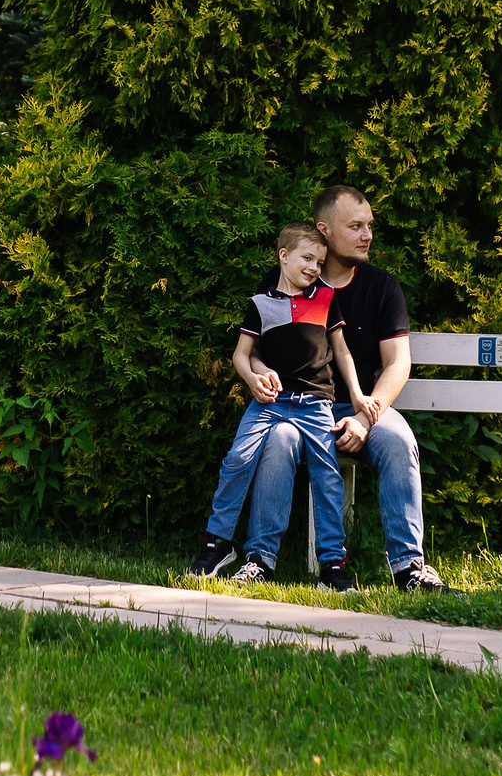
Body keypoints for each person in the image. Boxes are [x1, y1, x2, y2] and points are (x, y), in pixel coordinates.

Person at [232, 185, 450, 592]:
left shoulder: (382, 288)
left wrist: (366, 417)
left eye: (369, 226)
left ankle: (409, 568)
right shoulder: (284, 283)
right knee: (277, 439)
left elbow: (398, 363)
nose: (368, 235)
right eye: (356, 226)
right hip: (294, 410)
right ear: (324, 231)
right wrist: (258, 373)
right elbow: (254, 350)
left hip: (362, 409)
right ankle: (260, 560)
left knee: (399, 439)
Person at [189, 223, 368, 591]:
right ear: (283, 257)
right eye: (307, 258)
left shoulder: (326, 299)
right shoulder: (260, 305)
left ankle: (332, 565)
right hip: (271, 403)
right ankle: (216, 543)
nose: (314, 268)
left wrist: (358, 395)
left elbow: (342, 350)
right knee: (237, 459)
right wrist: (254, 380)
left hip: (317, 404)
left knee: (326, 478)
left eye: (319, 262)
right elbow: (241, 355)